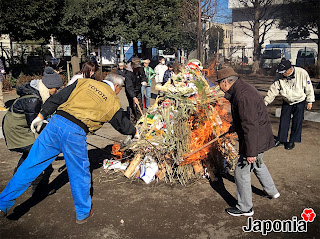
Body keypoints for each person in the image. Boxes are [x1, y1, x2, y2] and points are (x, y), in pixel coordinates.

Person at [0, 74, 137, 224]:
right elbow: (122, 124)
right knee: (79, 172)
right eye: (120, 89)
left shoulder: (84, 82)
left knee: (30, 165)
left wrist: (41, 115)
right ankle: (83, 212)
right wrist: (134, 132)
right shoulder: (113, 100)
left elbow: (58, 98)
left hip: (55, 124)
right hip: (75, 133)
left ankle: (3, 203)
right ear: (116, 86)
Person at [216, 67, 279, 217]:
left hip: (255, 139)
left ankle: (245, 208)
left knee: (241, 172)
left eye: (219, 83)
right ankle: (272, 192)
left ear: (226, 82)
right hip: (260, 137)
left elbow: (250, 125)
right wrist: (233, 127)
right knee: (258, 164)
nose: (219, 87)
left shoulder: (243, 96)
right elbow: (245, 119)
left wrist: (251, 152)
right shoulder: (242, 90)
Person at [2, 67, 63, 194]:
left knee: (29, 153)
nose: (56, 91)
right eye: (56, 88)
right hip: (16, 130)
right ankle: (38, 188)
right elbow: (35, 125)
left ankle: (19, 174)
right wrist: (53, 135)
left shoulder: (37, 93)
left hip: (17, 126)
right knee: (38, 154)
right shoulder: (34, 99)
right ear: (49, 87)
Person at [264, 60, 315, 150]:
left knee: (297, 121)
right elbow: (273, 89)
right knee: (284, 120)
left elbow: (309, 87)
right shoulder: (279, 76)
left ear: (290, 69)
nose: (282, 74)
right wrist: (265, 102)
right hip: (287, 100)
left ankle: (292, 141)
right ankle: (281, 139)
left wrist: (310, 101)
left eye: (284, 72)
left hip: (300, 100)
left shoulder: (302, 73)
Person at [123, 58, 147, 122]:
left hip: (138, 89)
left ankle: (140, 119)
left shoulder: (140, 68)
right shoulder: (128, 73)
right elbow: (129, 87)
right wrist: (133, 96)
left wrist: (144, 80)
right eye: (136, 68)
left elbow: (143, 76)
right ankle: (133, 121)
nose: (138, 69)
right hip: (130, 91)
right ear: (133, 66)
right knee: (132, 106)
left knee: (140, 105)